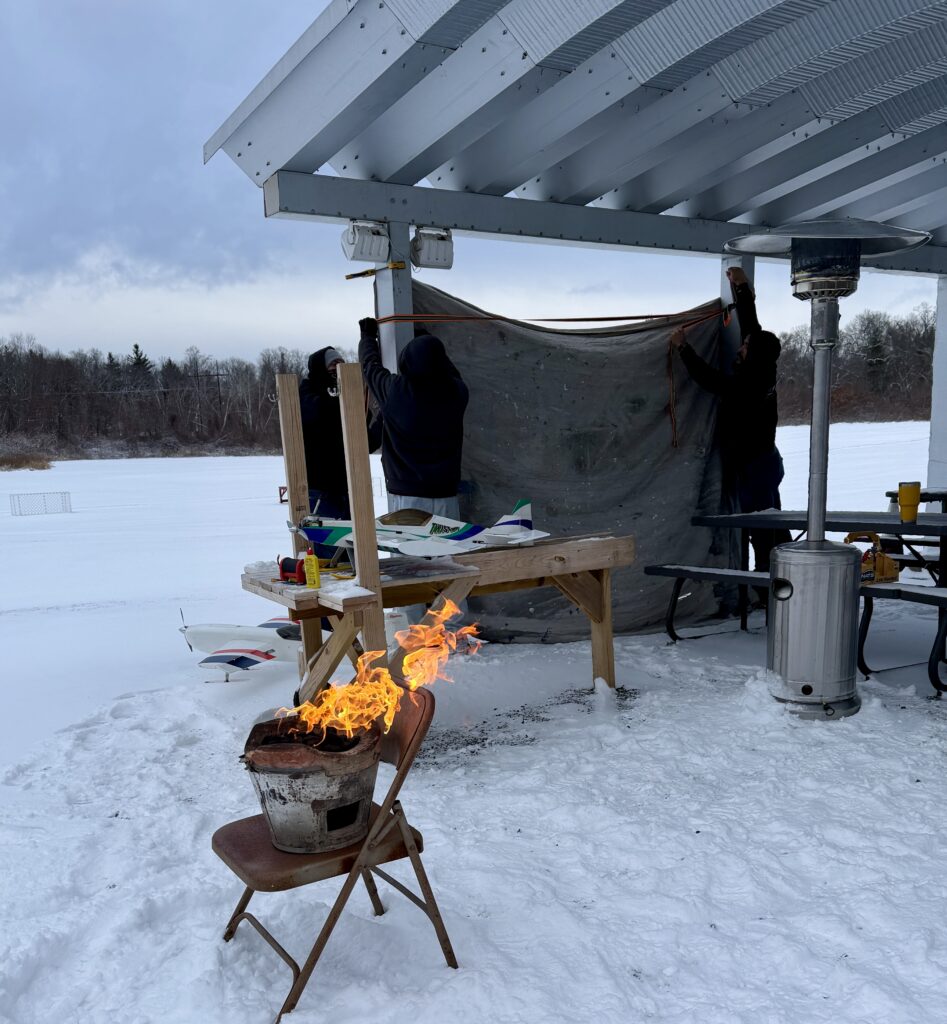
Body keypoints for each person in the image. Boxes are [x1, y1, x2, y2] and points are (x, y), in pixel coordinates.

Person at [670, 267, 792, 574]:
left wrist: (683, 348)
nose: (740, 348)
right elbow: (751, 326)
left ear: (753, 356)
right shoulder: (761, 367)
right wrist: (742, 290)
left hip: (756, 469)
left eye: (744, 348)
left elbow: (709, 379)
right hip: (759, 464)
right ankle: (777, 577)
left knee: (763, 530)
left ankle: (772, 586)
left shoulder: (749, 385)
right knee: (767, 526)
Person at [358, 317, 468, 518]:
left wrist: (367, 336)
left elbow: (370, 366)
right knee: (447, 549)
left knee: (410, 549)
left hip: (407, 496)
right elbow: (451, 371)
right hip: (446, 494)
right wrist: (428, 341)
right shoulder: (457, 392)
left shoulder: (395, 391)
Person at [299, 347, 381, 519]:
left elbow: (366, 443)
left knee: (351, 544)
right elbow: (315, 412)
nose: (337, 368)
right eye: (332, 364)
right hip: (320, 490)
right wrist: (348, 405)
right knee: (326, 544)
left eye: (340, 363)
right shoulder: (307, 392)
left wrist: (381, 420)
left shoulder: (345, 399)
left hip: (349, 488)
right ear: (321, 368)